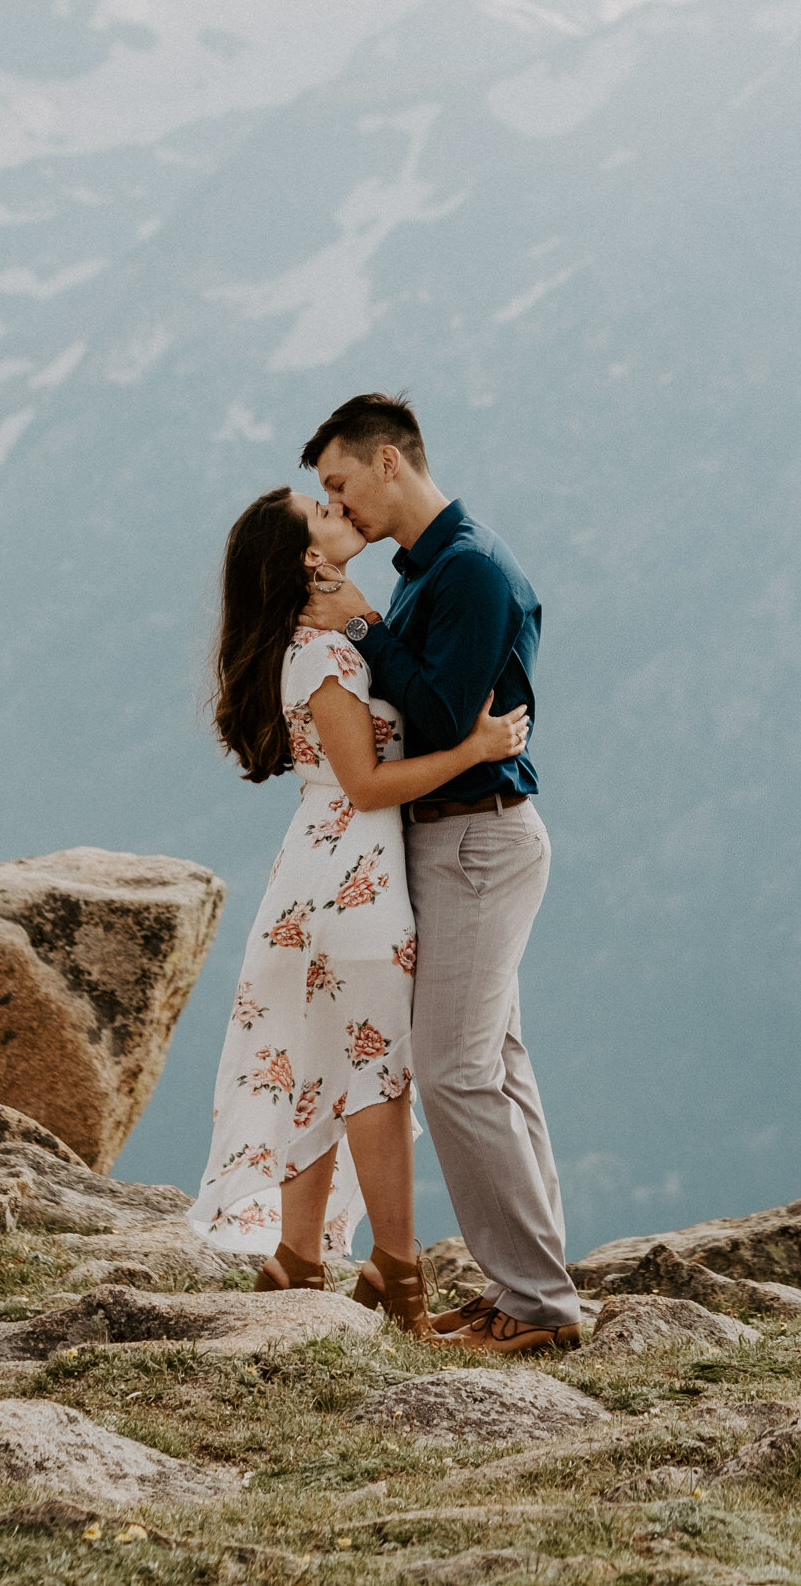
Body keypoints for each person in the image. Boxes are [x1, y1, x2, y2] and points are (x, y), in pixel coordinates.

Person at [188, 483, 527, 1344]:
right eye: (325, 514)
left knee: (330, 1067)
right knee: (376, 1078)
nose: (341, 514)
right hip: (352, 882)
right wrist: (474, 749)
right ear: (310, 558)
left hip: (330, 874)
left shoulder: (327, 642)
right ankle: (403, 1280)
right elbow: (368, 785)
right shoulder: (328, 657)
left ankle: (300, 1259)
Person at [297, 392, 581, 1356]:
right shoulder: (438, 570)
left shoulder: (467, 573)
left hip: (474, 837)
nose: (339, 505)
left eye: (340, 483)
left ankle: (537, 1306)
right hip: (466, 838)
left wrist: (367, 625)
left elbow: (441, 714)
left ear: (389, 463)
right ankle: (533, 1290)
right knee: (493, 1063)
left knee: (454, 1073)